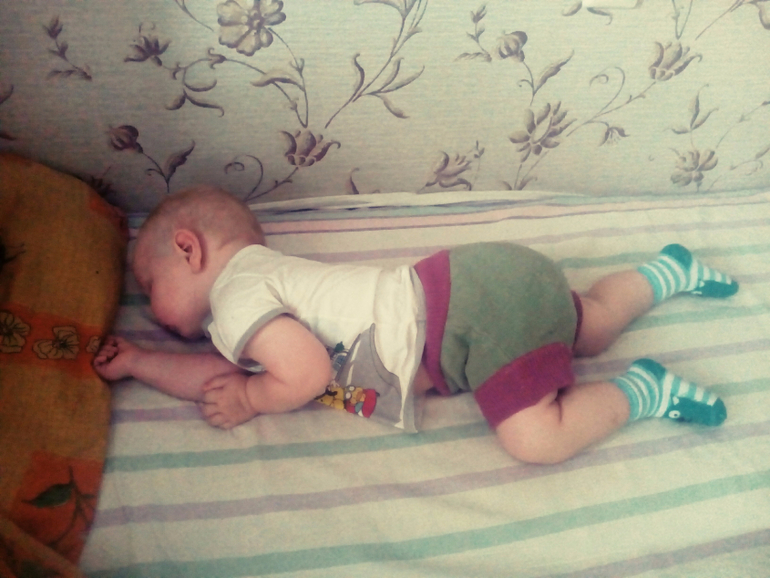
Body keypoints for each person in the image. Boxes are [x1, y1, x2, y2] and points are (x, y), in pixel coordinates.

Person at [94, 185, 738, 464]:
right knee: (591, 326)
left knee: (535, 439)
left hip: (463, 320)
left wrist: (254, 398)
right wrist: (141, 364)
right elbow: (219, 377)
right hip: (480, 281)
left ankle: (641, 390)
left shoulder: (235, 293)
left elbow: (305, 372)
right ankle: (665, 273)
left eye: (149, 287)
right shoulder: (252, 299)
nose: (149, 309)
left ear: (188, 249)